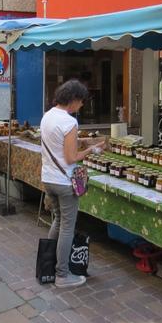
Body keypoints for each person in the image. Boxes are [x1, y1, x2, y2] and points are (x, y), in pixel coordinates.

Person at [40, 79, 104, 288]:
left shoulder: (48, 115)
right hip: (64, 181)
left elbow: (58, 145)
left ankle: (48, 265)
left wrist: (83, 142)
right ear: (74, 100)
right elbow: (70, 157)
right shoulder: (70, 122)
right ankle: (62, 275)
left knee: (58, 221)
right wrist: (91, 150)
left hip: (48, 178)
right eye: (81, 101)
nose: (82, 105)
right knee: (67, 227)